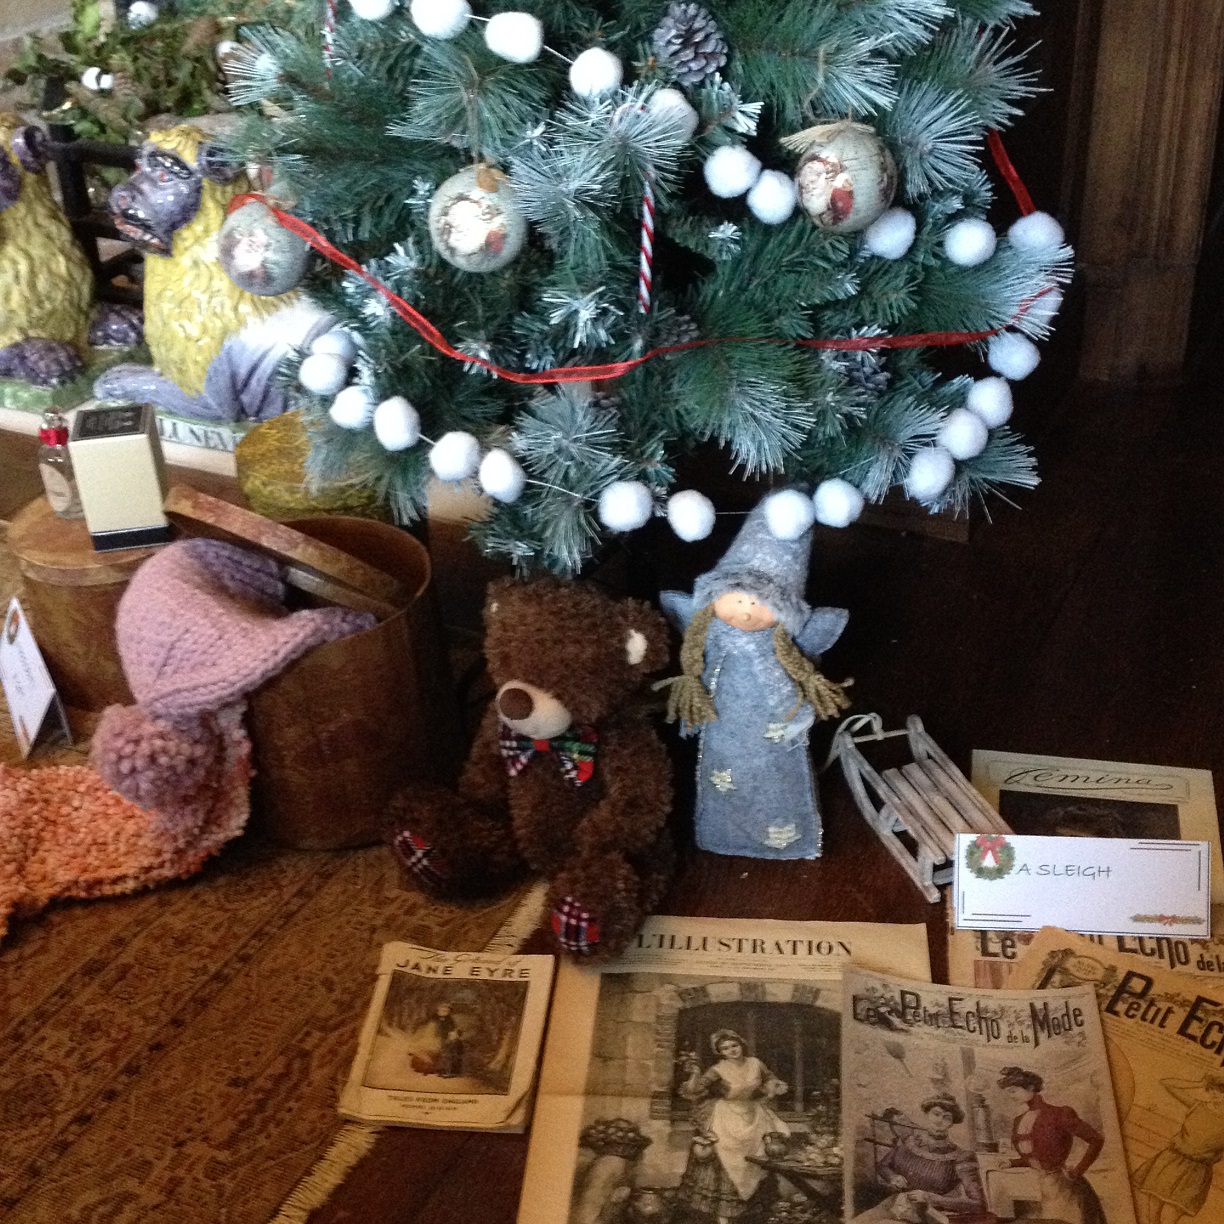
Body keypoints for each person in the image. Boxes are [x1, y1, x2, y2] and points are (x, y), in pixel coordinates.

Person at [675, 1030, 790, 1222]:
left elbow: (770, 1078)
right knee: (725, 1158)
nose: (732, 1050)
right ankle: (723, 1218)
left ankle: (754, 1213)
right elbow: (695, 1090)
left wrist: (772, 1086)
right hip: (726, 1116)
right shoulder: (718, 1070)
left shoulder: (755, 1063)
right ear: (720, 1052)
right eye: (725, 1048)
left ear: (741, 1044)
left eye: (734, 1045)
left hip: (754, 1115)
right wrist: (695, 1074)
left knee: (757, 1160)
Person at [998, 1066, 1105, 1224]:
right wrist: (1011, 1162)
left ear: (1031, 1087)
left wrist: (1078, 1170)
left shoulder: (1059, 1114)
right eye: (1008, 1093)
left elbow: (1096, 1139)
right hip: (1044, 1184)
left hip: (1064, 1185)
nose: (1011, 1096)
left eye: (1013, 1091)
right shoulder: (1019, 1120)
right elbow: (1037, 1155)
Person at [876, 1094, 989, 1222]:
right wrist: (893, 1177)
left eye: (947, 1118)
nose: (939, 1121)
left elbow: (978, 1204)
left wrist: (931, 1198)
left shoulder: (962, 1156)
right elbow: (882, 1165)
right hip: (895, 1206)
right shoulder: (909, 1142)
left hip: (930, 1215)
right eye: (936, 1114)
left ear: (952, 1123)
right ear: (927, 1115)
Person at [1132, 1073, 1224, 1224]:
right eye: (1212, 1089)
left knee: (1171, 1219)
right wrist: (1198, 1084)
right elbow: (1167, 1082)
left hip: (1197, 1171)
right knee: (1152, 1216)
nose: (1215, 1094)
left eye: (1221, 1091)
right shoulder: (1197, 1105)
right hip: (1171, 1160)